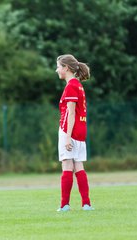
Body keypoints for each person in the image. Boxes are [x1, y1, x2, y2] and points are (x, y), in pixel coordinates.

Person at [55, 54, 94, 212]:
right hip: (80, 130)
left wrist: (67, 138)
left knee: (67, 165)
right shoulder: (78, 85)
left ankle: (64, 205)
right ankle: (86, 204)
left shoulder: (70, 86)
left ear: (66, 68)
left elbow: (71, 114)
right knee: (78, 166)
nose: (56, 69)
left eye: (58, 66)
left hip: (68, 131)